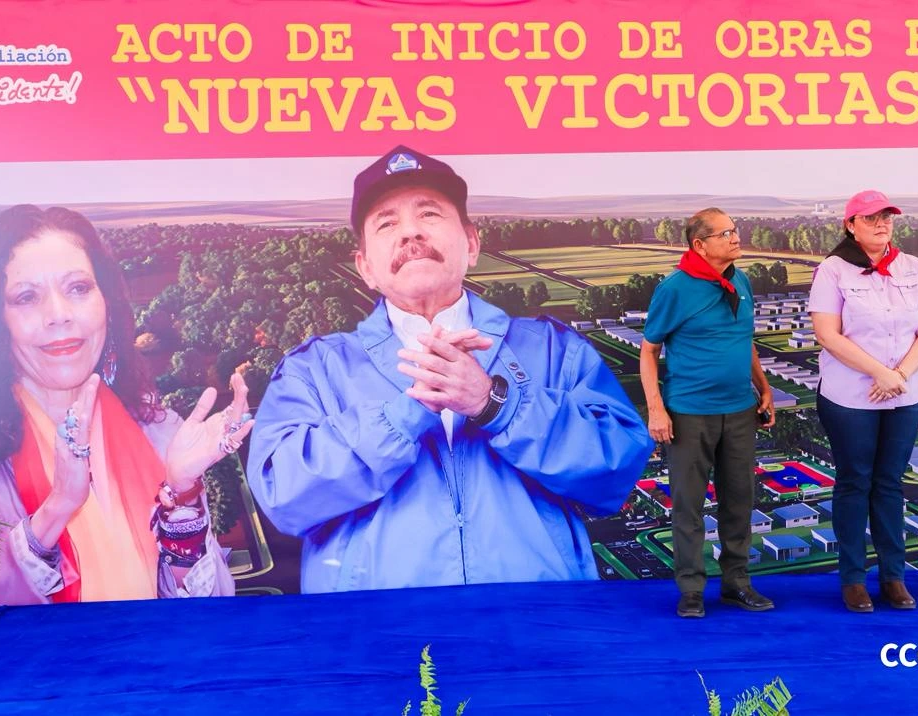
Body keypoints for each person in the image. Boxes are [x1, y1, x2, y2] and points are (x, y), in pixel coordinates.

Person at [247, 146, 653, 594]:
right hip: (378, 628)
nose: (410, 232)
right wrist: (404, 415)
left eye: (429, 214)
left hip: (538, 619)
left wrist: (496, 404)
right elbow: (281, 497)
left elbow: (616, 471)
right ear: (365, 267)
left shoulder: (557, 351)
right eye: (386, 223)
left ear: (472, 244)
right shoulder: (312, 371)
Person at [0, 205, 249, 656]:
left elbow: (212, 614)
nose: (59, 314)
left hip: (156, 681)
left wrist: (182, 497)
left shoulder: (158, 430)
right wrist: (53, 513)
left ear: (107, 304)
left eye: (78, 288)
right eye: (27, 297)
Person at [640, 207, 777, 618]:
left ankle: (737, 584)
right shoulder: (674, 289)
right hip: (689, 414)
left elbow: (744, 340)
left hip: (739, 411)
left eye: (735, 230)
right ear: (700, 245)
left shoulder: (741, 281)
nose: (736, 237)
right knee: (689, 507)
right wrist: (656, 410)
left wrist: (764, 388)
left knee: (739, 502)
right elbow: (649, 351)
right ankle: (691, 591)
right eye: (725, 233)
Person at [808, 190, 918, 613]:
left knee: (889, 484)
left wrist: (898, 375)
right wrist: (880, 373)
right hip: (850, 396)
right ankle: (852, 579)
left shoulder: (913, 266)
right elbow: (827, 334)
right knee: (854, 482)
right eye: (870, 218)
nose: (881, 223)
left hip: (905, 393)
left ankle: (893, 577)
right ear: (850, 225)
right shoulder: (832, 270)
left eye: (886, 216)